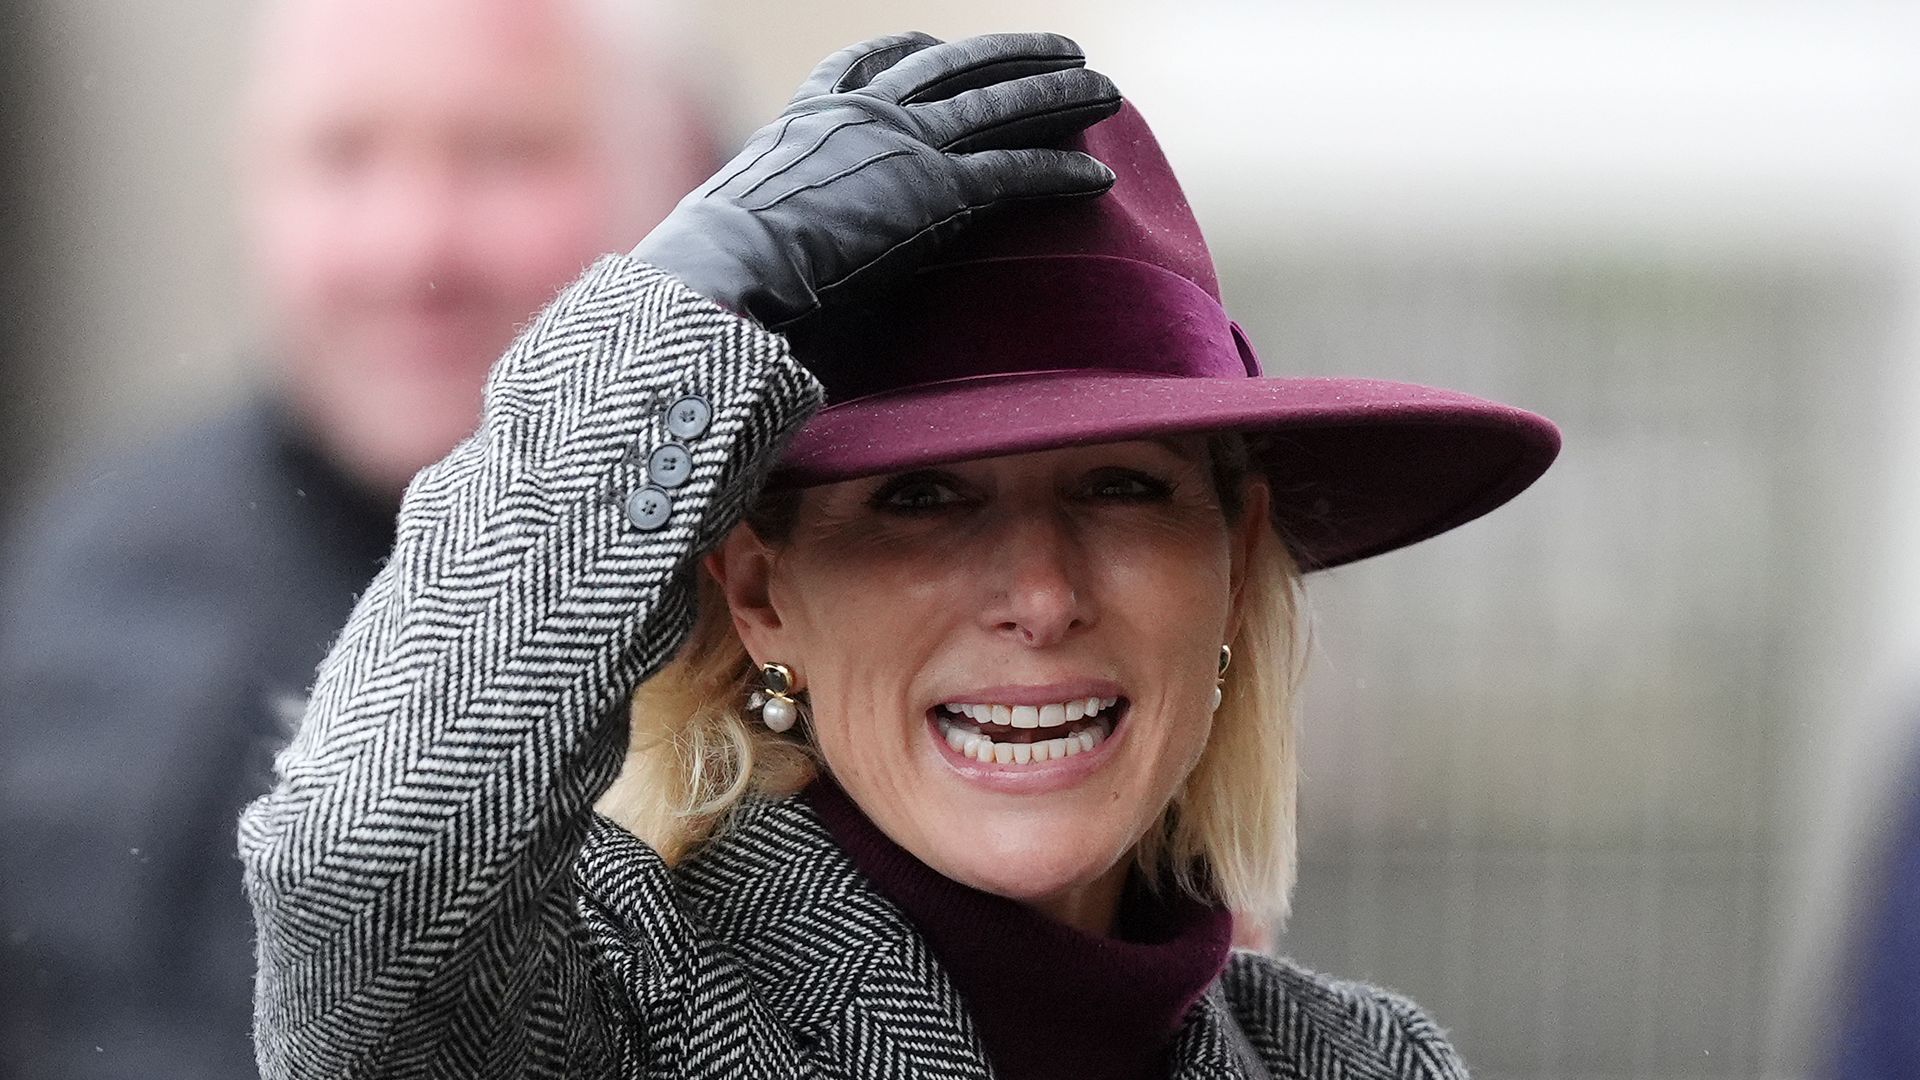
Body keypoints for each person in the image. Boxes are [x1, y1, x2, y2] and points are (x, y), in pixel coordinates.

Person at [242, 32, 1560, 1080]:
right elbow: (361, 868)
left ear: (1234, 559)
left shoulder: (1356, 1060)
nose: (1041, 595)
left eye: (1121, 488)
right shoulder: (606, 1008)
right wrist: (679, 303)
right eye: (923, 500)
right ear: (759, 590)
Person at [0, 1, 714, 1076]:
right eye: (342, 156)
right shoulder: (94, 572)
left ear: (684, 166)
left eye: (503, 152)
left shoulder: (812, 571)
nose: (411, 246)